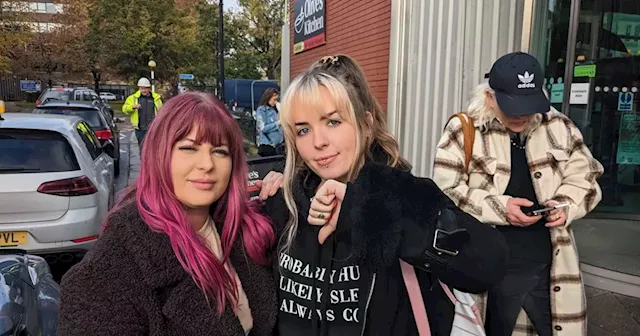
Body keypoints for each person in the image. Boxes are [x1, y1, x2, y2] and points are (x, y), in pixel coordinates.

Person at [260, 54, 509, 335]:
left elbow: (490, 263)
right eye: (303, 130)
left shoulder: (407, 192)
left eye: (333, 122)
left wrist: (367, 213)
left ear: (366, 125)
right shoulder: (286, 200)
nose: (318, 142)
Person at [58, 92, 277, 336]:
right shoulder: (107, 273)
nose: (207, 164)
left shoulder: (242, 230)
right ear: (158, 154)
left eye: (220, 151)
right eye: (188, 148)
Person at [432, 52, 604, 336]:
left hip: (551, 266)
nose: (522, 115)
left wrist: (565, 205)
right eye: (512, 106)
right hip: (488, 267)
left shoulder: (559, 126)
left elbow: (586, 176)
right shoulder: (463, 129)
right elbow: (446, 190)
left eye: (529, 105)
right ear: (489, 96)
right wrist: (501, 208)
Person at [122, 77, 163, 152]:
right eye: (142, 88)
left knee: (153, 148)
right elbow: (124, 109)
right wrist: (132, 107)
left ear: (149, 88)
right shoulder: (133, 98)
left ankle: (152, 163)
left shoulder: (156, 98)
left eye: (146, 88)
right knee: (143, 149)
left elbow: (161, 111)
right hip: (140, 129)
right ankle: (144, 163)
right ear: (139, 88)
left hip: (153, 128)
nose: (144, 90)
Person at [255, 88, 284, 156]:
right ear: (268, 98)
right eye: (274, 100)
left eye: (277, 100)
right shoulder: (261, 110)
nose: (276, 102)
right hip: (267, 145)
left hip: (278, 145)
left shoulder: (274, 110)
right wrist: (277, 123)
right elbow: (262, 128)